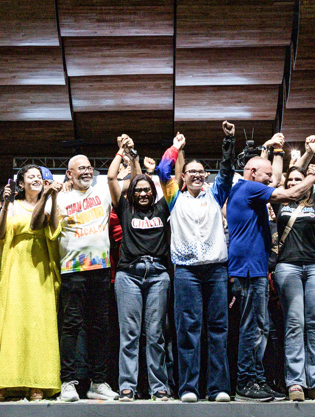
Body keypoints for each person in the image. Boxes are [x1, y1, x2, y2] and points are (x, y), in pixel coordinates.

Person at [225, 130, 315, 402]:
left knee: (259, 327)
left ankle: (256, 380)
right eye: (266, 175)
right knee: (251, 328)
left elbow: (278, 180)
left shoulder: (247, 189)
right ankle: (246, 383)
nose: (271, 179)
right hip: (248, 270)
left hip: (252, 269)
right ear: (251, 172)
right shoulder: (249, 188)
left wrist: (276, 152)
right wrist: (313, 176)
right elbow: (289, 195)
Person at [158, 124, 234, 402]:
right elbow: (162, 171)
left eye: (201, 172)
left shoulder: (215, 194)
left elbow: (227, 171)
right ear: (184, 176)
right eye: (192, 171)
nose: (198, 175)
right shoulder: (173, 198)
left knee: (218, 329)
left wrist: (228, 141)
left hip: (216, 270)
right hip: (186, 271)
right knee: (188, 330)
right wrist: (175, 147)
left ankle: (218, 388)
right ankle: (188, 388)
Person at [0, 165, 63, 401]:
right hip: (15, 268)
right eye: (31, 177)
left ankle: (37, 383)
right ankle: (5, 383)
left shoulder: (49, 204)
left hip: (40, 269)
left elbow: (45, 227)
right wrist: (5, 205)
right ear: (21, 183)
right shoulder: (13, 204)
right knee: (11, 324)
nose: (36, 179)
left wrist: (50, 197)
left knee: (39, 326)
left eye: (39, 177)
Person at [108, 135, 172, 401]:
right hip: (129, 276)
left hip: (158, 274)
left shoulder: (162, 208)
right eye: (138, 190)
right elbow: (112, 178)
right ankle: (127, 386)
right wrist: (121, 153)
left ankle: (159, 386)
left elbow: (168, 180)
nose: (143, 193)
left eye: (147, 190)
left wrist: (175, 150)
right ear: (132, 194)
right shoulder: (125, 208)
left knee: (156, 334)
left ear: (153, 192)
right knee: (130, 334)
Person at [54, 154, 117, 402]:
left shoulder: (102, 192)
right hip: (72, 270)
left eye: (89, 167)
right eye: (81, 168)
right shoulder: (60, 198)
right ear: (69, 173)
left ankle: (98, 382)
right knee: (71, 327)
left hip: (101, 270)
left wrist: (123, 154)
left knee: (100, 328)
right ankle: (68, 382)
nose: (87, 171)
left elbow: (120, 180)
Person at [272, 139, 315, 401]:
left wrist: (314, 151)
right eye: (291, 180)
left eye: (300, 179)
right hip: (288, 265)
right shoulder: (280, 201)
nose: (295, 183)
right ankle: (295, 381)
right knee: (295, 323)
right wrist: (302, 163)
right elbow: (282, 179)